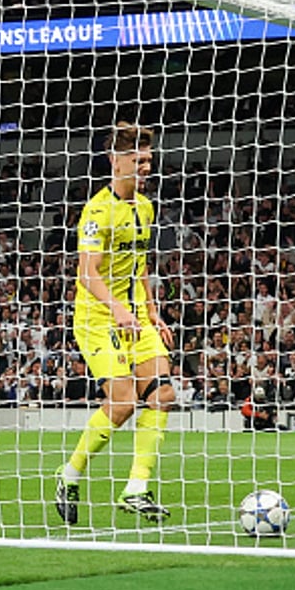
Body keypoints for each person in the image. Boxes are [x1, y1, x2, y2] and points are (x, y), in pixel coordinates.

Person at [55, 122, 176, 524]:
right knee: (123, 402)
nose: (146, 167)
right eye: (138, 160)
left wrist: (152, 311)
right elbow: (87, 273)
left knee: (162, 393)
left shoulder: (145, 207)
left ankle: (136, 489)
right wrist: (118, 310)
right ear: (115, 161)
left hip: (136, 315)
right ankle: (69, 474)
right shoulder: (96, 211)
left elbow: (140, 265)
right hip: (98, 317)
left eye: (148, 160)